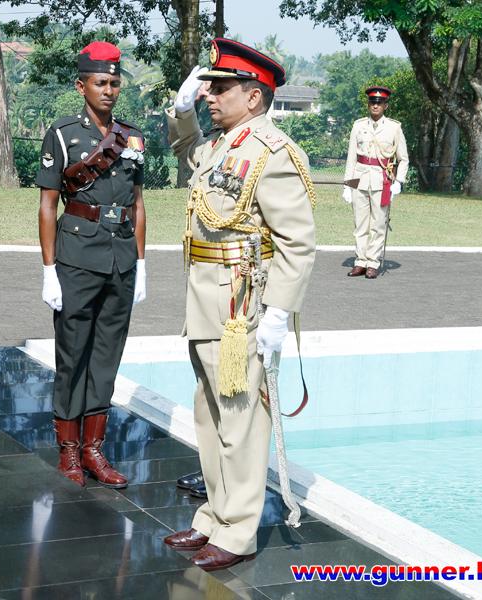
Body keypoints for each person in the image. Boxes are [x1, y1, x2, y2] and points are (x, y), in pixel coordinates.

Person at [162, 38, 316, 571]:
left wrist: (278, 313)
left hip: (241, 309)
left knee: (240, 424)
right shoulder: (224, 144)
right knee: (210, 418)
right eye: (209, 87)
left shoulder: (273, 153)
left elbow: (298, 242)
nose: (209, 95)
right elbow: (186, 152)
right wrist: (181, 110)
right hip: (207, 299)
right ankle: (215, 516)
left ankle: (239, 530)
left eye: (220, 87)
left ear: (253, 96)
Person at [36, 41, 147, 489]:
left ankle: (93, 449)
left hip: (121, 259)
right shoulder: (63, 134)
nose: (109, 90)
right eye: (101, 82)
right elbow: (48, 205)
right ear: (81, 86)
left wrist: (142, 262)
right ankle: (68, 450)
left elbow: (138, 204)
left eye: (114, 83)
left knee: (106, 355)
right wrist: (49, 270)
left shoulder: (132, 136)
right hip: (77, 259)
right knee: (73, 355)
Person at [343, 86, 409, 279]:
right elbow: (352, 158)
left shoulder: (394, 128)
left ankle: (373, 262)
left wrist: (399, 181)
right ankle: (360, 261)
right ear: (368, 104)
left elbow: (403, 158)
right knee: (360, 224)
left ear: (385, 106)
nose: (375, 105)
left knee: (378, 224)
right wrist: (348, 185)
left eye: (379, 103)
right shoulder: (358, 126)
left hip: (382, 181)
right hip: (360, 179)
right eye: (372, 102)